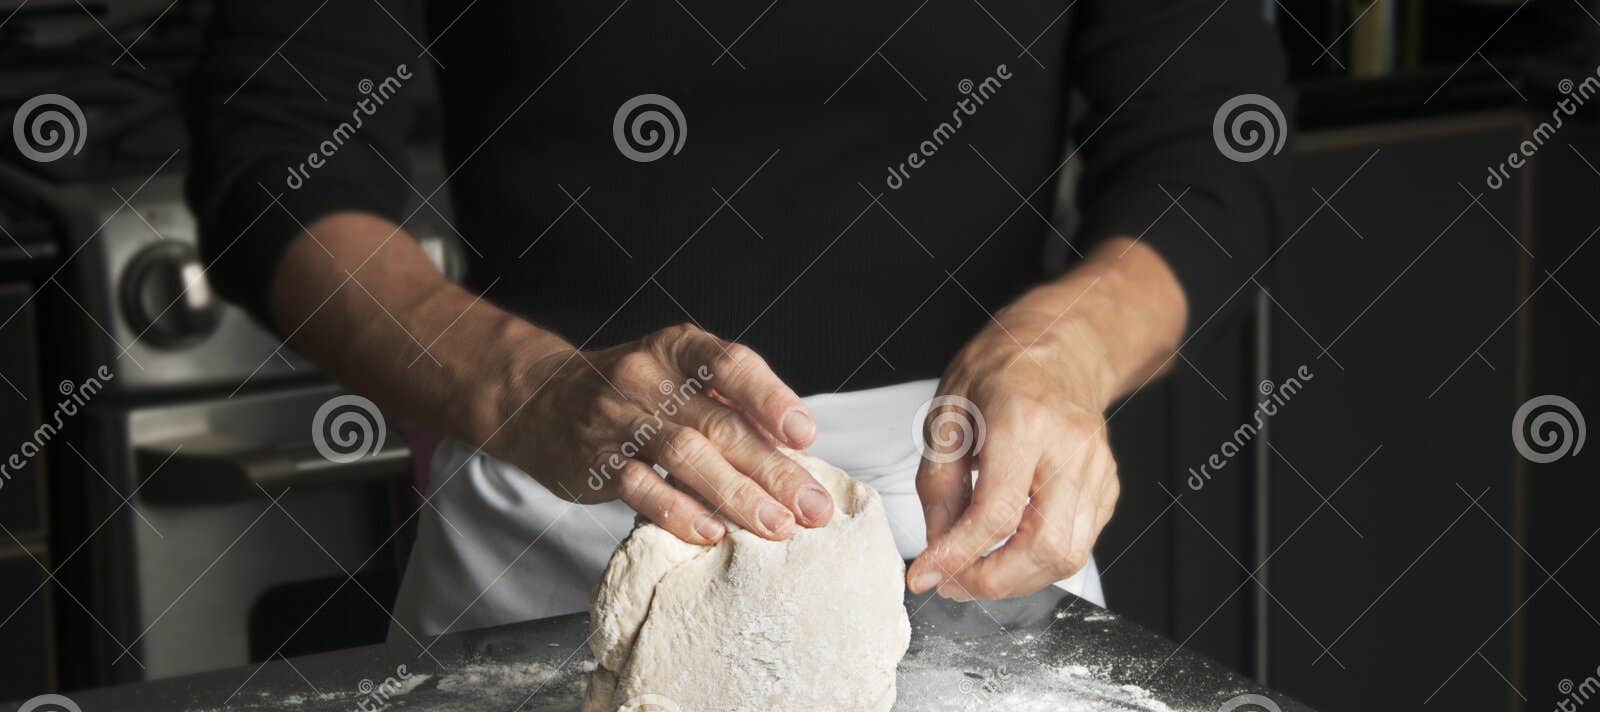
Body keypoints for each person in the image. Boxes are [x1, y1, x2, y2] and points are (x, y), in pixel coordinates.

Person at [186, 1, 1288, 636]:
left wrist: (1063, 352)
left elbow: (1209, 149)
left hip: (962, 523)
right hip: (556, 529)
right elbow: (275, 147)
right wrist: (518, 384)